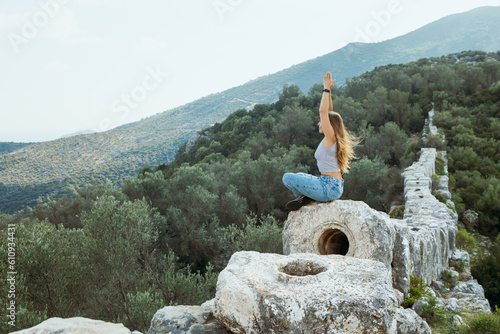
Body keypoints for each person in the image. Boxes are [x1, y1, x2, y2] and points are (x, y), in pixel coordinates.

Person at [282, 72, 358, 211]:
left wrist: (326, 88)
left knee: (287, 178)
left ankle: (304, 198)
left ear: (329, 125)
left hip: (328, 187)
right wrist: (329, 94)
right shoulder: (331, 137)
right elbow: (328, 111)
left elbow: (323, 112)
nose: (319, 123)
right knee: (299, 175)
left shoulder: (331, 137)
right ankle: (306, 197)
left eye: (321, 122)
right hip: (329, 184)